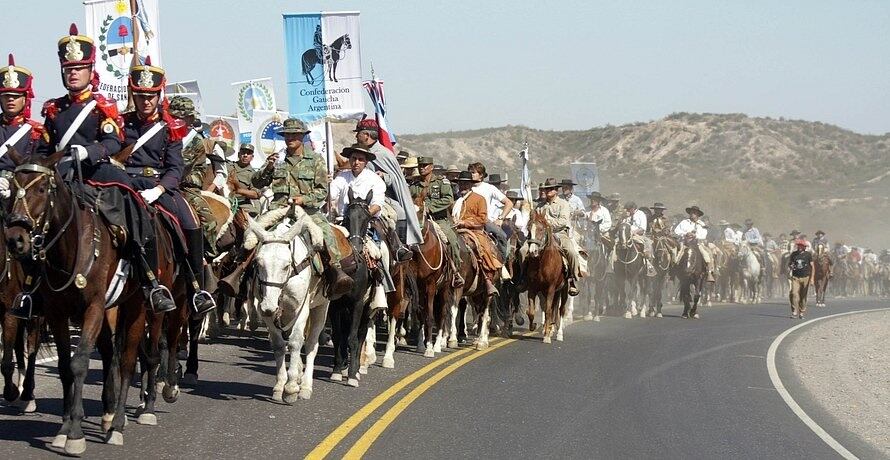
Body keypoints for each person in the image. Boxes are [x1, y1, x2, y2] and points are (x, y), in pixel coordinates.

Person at [28, 24, 173, 317]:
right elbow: (43, 150)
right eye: (68, 68)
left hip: (97, 172)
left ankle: (150, 279)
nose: (73, 73)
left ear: (90, 69)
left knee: (134, 202)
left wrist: (89, 151)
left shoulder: (101, 107)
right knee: (28, 216)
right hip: (63, 175)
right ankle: (31, 289)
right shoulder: (53, 109)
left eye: (79, 68)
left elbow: (113, 139)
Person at [121, 58, 216, 316]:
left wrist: (160, 190)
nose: (146, 101)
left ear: (159, 94)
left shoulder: (170, 127)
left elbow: (175, 168)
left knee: (191, 223)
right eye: (141, 95)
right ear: (134, 94)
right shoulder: (121, 124)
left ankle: (197, 289)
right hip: (125, 184)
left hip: (157, 186)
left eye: (151, 95)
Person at [252, 118, 353, 298]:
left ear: (302, 136)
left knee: (326, 235)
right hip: (278, 210)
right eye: (287, 134)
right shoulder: (277, 158)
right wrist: (268, 166)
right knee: (252, 236)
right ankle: (242, 274)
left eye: (294, 134)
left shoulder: (315, 160)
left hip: (307, 211)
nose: (290, 138)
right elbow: (257, 182)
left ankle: (334, 271)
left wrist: (303, 199)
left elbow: (322, 191)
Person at [353, 118, 422, 252]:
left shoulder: (383, 154)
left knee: (400, 213)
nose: (356, 136)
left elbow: (396, 177)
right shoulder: (356, 152)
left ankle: (401, 248)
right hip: (356, 195)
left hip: (380, 197)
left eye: (358, 133)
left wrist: (384, 176)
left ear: (366, 135)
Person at [409, 156, 464, 287]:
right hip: (418, 221)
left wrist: (430, 207)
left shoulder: (441, 183)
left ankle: (456, 272)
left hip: (439, 220)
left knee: (452, 241)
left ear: (432, 167)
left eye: (425, 165)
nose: (422, 168)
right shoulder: (415, 185)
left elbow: (448, 199)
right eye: (420, 166)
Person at [0, 54, 48, 191]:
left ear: (25, 99)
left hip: (23, 192)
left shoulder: (36, 132)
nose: (10, 100)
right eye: (6, 96)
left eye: (15, 96)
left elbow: (40, 168)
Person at [451, 171, 503, 296]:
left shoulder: (479, 199)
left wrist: (464, 222)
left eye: (465, 184)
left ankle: (488, 280)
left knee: (482, 249)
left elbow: (482, 219)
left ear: (470, 185)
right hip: (456, 231)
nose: (463, 186)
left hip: (474, 231)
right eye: (461, 184)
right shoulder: (456, 201)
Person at [467, 162, 513, 259]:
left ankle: (501, 263)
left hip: (485, 222)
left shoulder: (489, 188)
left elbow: (509, 203)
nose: (470, 174)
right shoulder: (465, 187)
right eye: (469, 172)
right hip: (465, 220)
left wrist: (500, 218)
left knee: (502, 236)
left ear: (481, 175)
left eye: (473, 172)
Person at [674, 205, 715, 282]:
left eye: (694, 213)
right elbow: (677, 231)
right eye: (691, 212)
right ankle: (673, 272)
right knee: (676, 256)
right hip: (685, 243)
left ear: (698, 215)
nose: (692, 214)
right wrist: (685, 233)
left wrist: (695, 235)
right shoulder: (684, 222)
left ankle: (709, 273)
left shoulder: (701, 224)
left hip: (697, 243)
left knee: (707, 254)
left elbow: (703, 235)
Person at [622, 201, 655, 276]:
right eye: (626, 209)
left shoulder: (640, 214)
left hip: (638, 235)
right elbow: (623, 225)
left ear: (633, 208)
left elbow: (642, 228)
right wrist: (625, 217)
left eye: (628, 209)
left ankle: (649, 266)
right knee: (615, 245)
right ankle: (613, 264)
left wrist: (633, 232)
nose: (627, 211)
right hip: (626, 235)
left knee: (648, 246)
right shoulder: (626, 215)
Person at [227, 144, 260, 215]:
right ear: (238, 155)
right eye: (243, 153)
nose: (245, 155)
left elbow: (255, 194)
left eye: (248, 153)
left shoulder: (254, 174)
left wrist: (238, 190)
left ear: (252, 157)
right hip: (223, 198)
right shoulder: (228, 166)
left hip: (240, 203)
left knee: (253, 214)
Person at [787, 238, 814, 319]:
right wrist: (790, 266)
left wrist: (812, 278)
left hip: (806, 277)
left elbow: (812, 266)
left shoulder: (808, 255)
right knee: (793, 293)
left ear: (804, 247)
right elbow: (790, 264)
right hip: (796, 277)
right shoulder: (793, 254)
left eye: (801, 246)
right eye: (798, 245)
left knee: (803, 295)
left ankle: (802, 311)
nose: (799, 247)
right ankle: (794, 311)